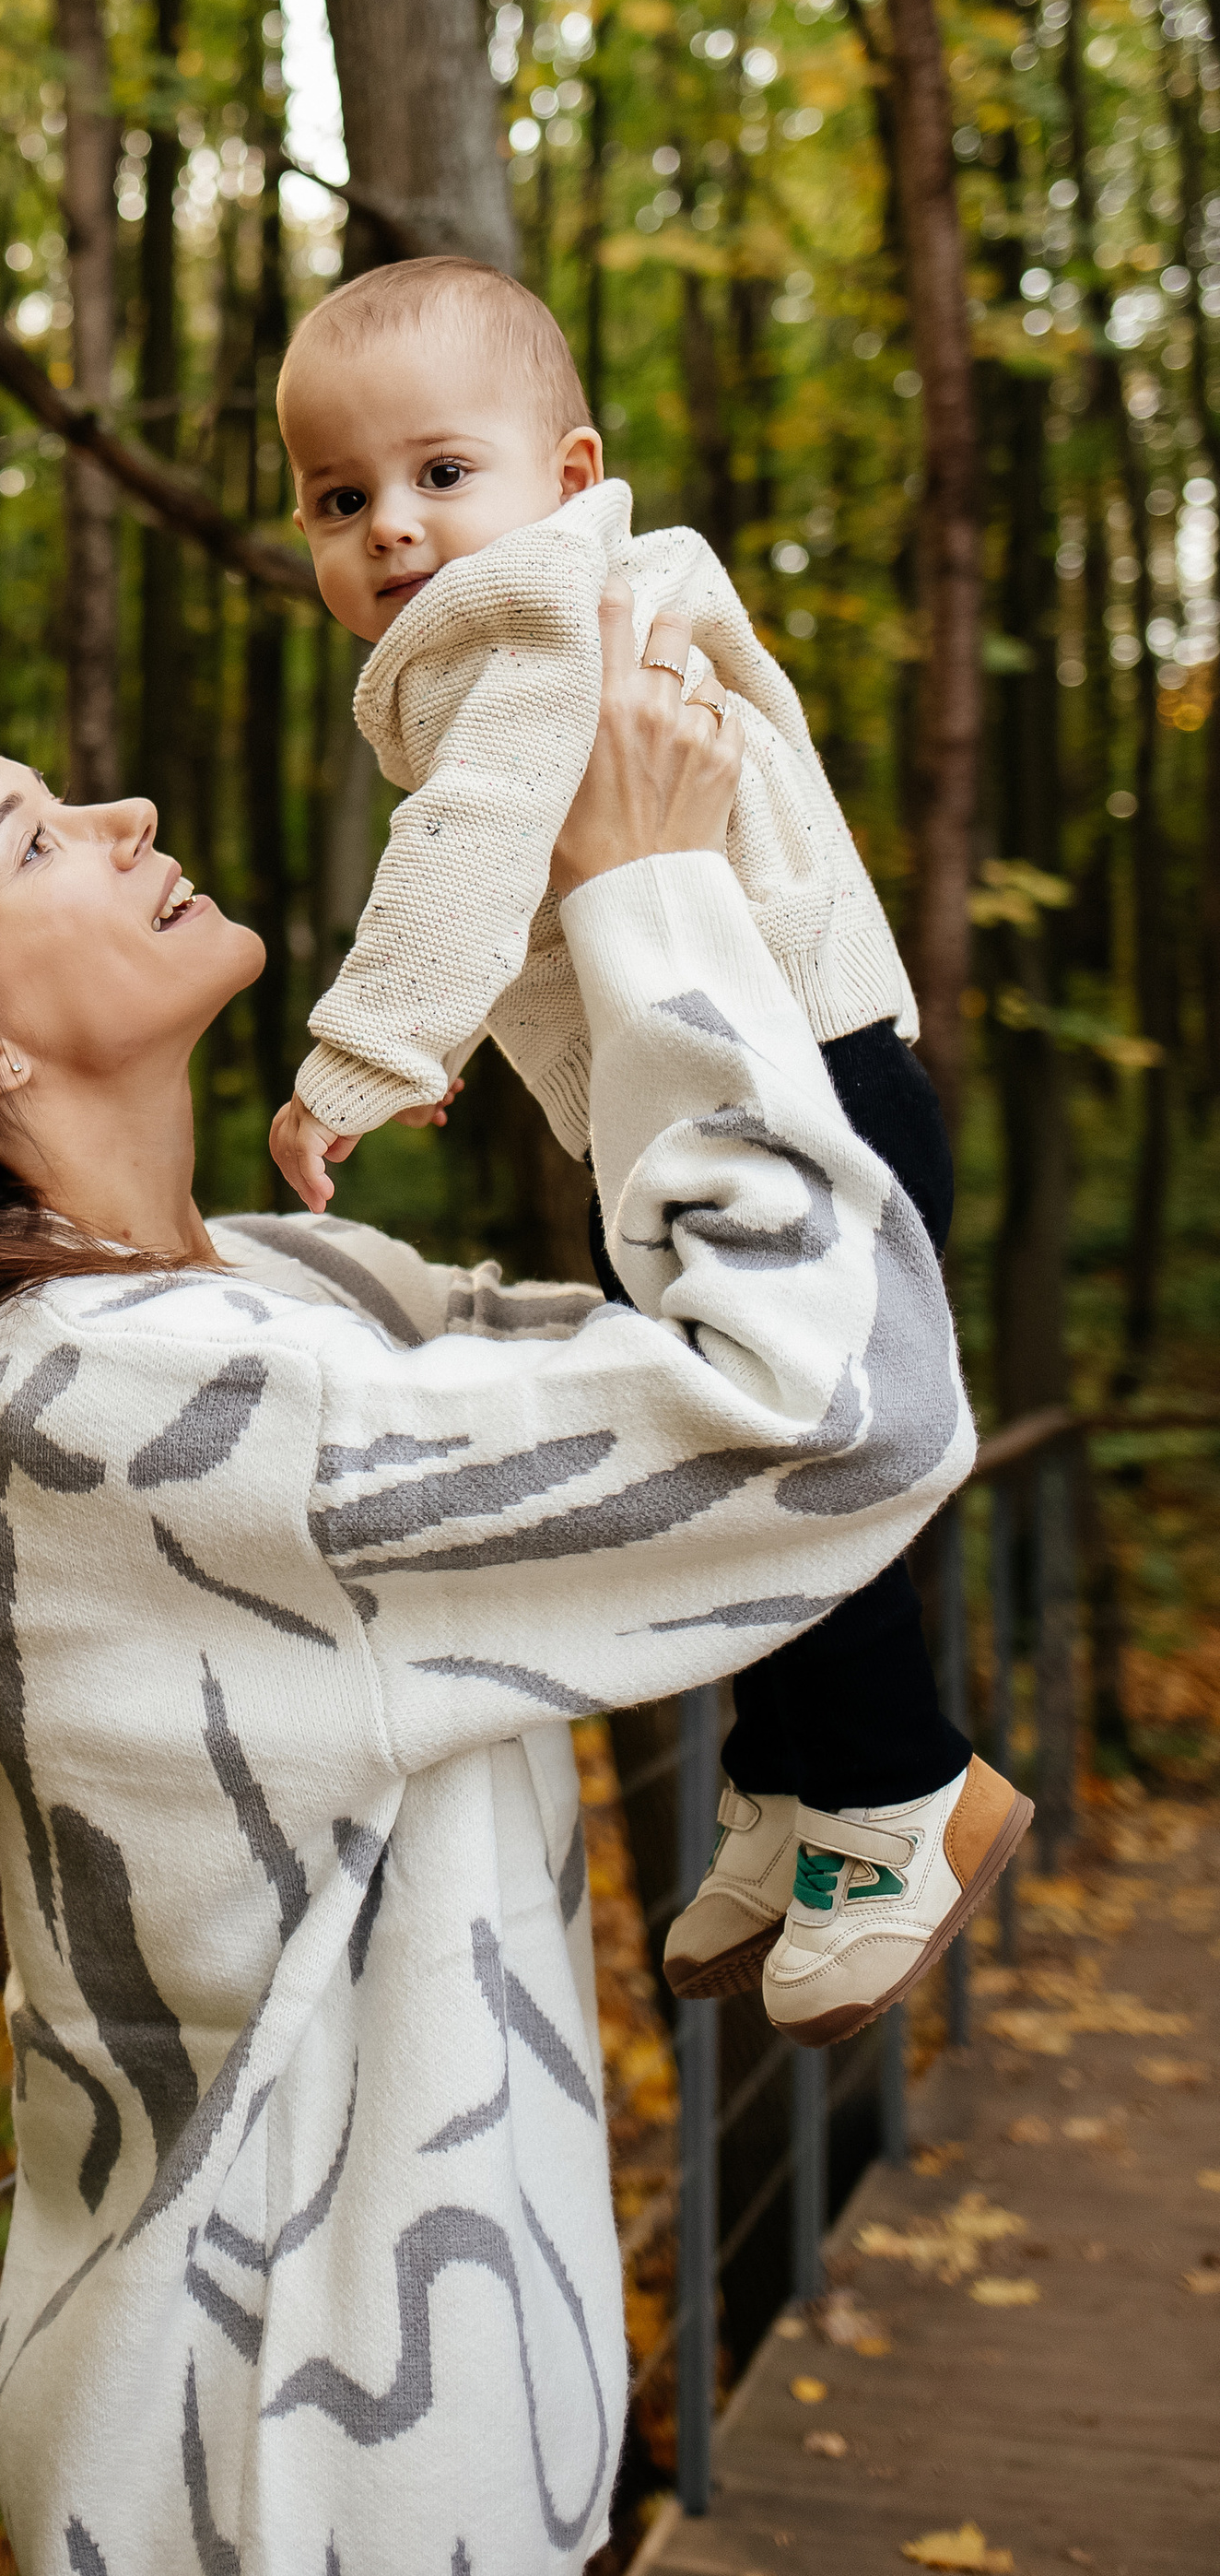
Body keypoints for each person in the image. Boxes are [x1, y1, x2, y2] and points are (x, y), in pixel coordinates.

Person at [0, 602, 1007, 2574]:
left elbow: (728, 1344)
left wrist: (580, 912)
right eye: (32, 838)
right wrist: (651, 895)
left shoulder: (267, 1299)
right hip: (294, 2469)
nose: (124, 809)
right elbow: (827, 1412)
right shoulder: (108, 1407)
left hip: (414, 2444)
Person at [265, 257, 1026, 2042]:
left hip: (783, 1095)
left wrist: (363, 1053)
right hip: (746, 1082)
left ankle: (898, 1794)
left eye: (439, 471)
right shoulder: (577, 604)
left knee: (760, 1452)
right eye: (335, 496)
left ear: (564, 467)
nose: (389, 527)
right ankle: (784, 1785)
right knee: (708, 1447)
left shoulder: (531, 617)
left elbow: (467, 839)